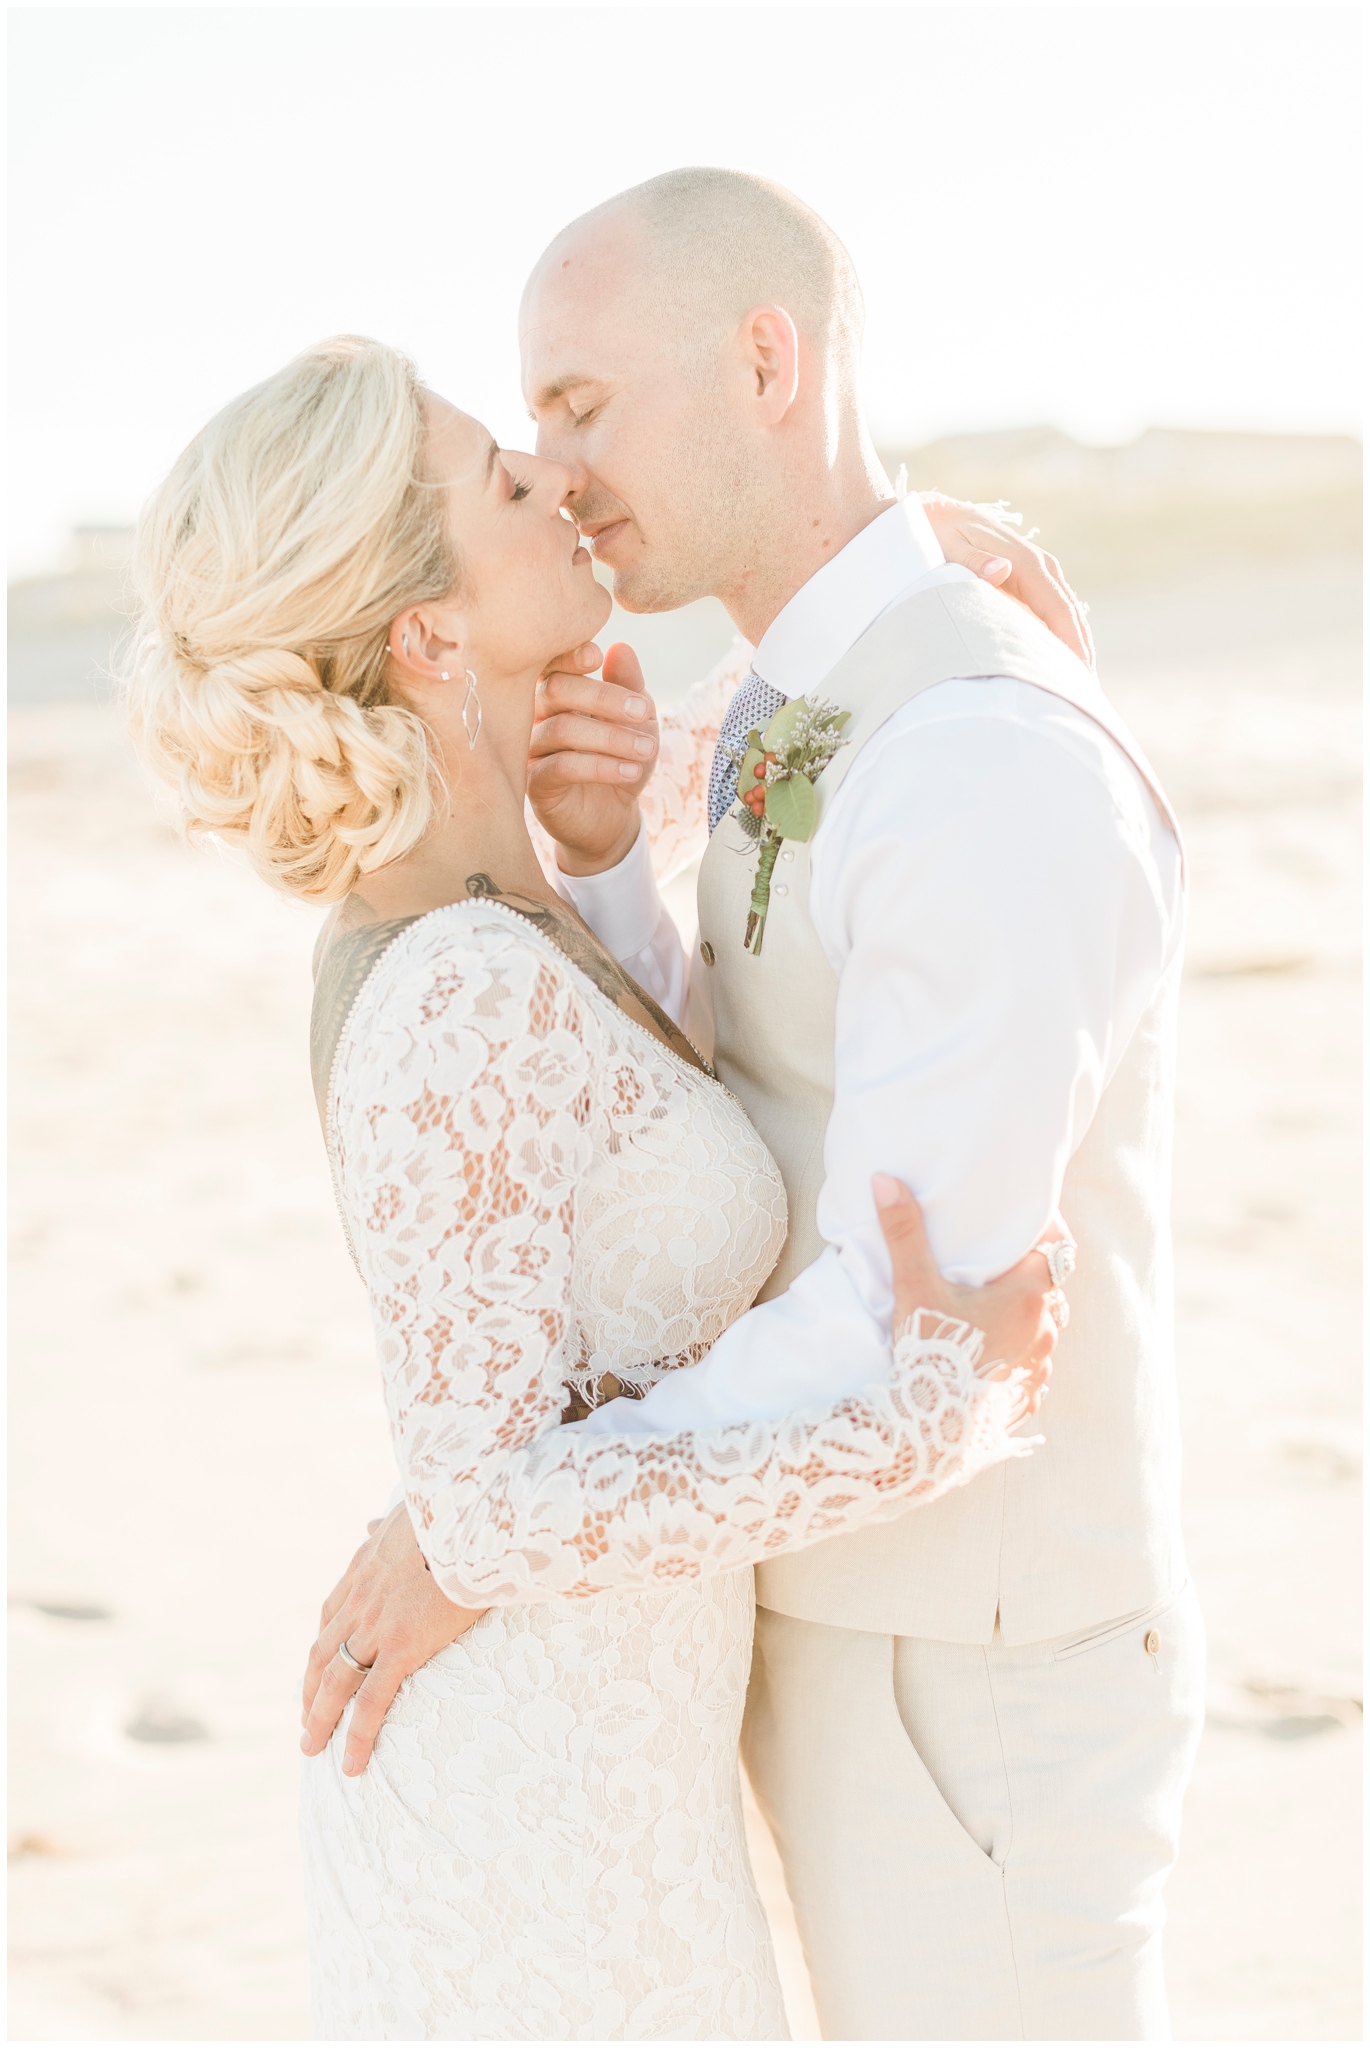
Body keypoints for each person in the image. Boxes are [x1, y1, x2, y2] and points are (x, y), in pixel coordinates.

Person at [312, 168, 1204, 2040]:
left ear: (766, 361)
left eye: (580, 407)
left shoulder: (975, 759)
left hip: (969, 1655)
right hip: (801, 1608)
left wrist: (498, 1529)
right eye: (530, 431)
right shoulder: (786, 699)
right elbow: (732, 1105)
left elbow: (922, 1304)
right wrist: (610, 870)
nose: (553, 475)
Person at [124, 335, 1063, 2040]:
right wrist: (923, 1426)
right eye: (502, 478)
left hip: (614, 1774)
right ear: (426, 632)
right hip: (535, 1827)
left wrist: (930, 562)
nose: (556, 482)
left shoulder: (506, 891)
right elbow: (484, 1512)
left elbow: (788, 737)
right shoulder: (449, 991)